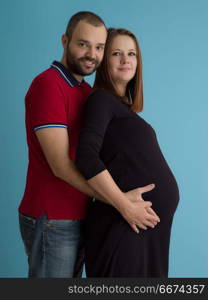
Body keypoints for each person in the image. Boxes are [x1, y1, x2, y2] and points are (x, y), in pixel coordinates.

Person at [18, 12, 159, 278]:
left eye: (99, 47)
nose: (91, 54)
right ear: (65, 41)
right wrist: (121, 203)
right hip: (53, 218)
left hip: (80, 214)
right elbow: (60, 165)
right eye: (83, 44)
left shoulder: (85, 93)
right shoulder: (48, 85)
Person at [76, 28, 180, 277]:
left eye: (131, 53)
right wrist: (125, 206)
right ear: (103, 61)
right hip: (122, 225)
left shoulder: (122, 109)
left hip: (143, 231)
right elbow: (86, 156)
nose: (126, 60)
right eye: (116, 53)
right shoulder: (100, 100)